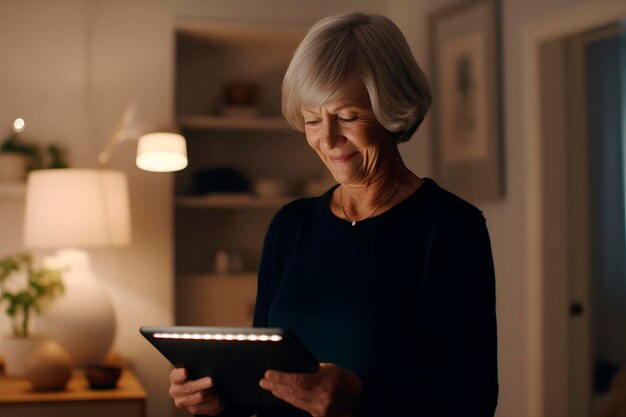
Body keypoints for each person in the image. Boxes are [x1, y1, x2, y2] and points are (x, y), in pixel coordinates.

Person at [168, 12, 498, 417]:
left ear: (392, 109)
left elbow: (474, 401)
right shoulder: (290, 226)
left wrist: (361, 401)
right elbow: (262, 385)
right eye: (311, 119)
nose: (326, 139)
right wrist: (219, 401)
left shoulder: (449, 228)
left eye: (347, 116)